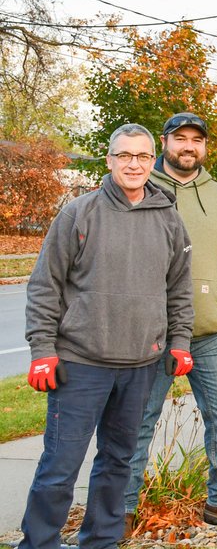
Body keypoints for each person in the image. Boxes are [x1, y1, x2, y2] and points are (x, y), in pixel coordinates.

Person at [20, 124, 193, 549]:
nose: (133, 164)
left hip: (140, 366)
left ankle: (99, 540)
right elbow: (45, 285)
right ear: (110, 160)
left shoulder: (169, 219)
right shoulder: (79, 213)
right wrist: (43, 350)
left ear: (153, 162)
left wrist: (180, 341)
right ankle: (39, 543)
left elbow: (179, 288)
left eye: (142, 156)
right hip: (80, 364)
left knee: (118, 461)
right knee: (61, 464)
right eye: (124, 156)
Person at [123, 113, 217, 532]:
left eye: (196, 140)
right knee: (137, 422)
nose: (188, 146)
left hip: (211, 332)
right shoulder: (140, 190)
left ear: (205, 148)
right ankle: (123, 509)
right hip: (151, 334)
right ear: (165, 142)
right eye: (180, 138)